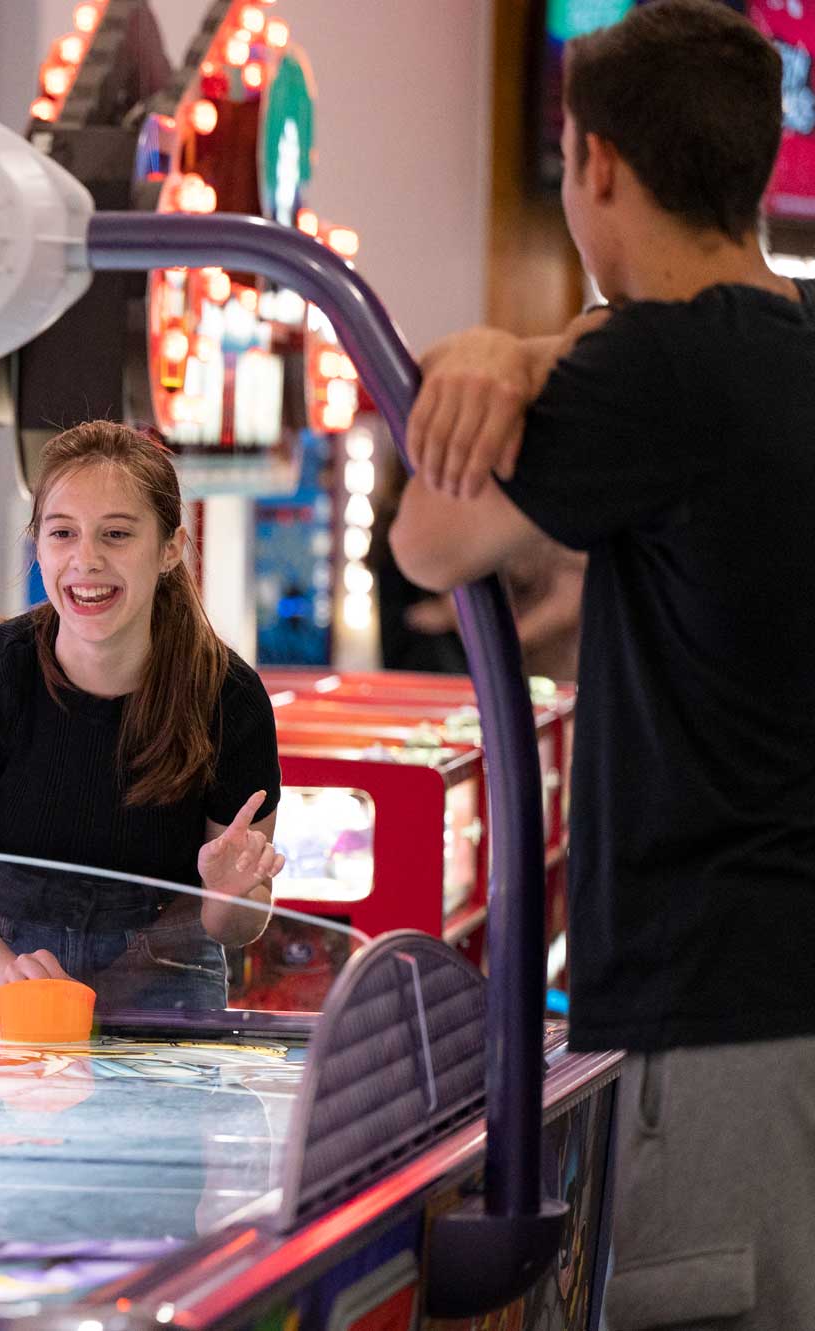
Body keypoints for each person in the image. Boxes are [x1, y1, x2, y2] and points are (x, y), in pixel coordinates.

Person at [389, 5, 815, 1326]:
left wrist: (510, 349)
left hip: (716, 1007)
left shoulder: (654, 367)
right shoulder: (789, 347)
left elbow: (428, 535)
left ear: (600, 165)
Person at [0, 421, 285, 1010]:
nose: (85, 560)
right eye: (63, 533)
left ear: (169, 548)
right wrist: (21, 991)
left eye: (116, 534)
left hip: (163, 977)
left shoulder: (229, 697)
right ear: (37, 543)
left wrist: (232, 895)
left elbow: (234, 927)